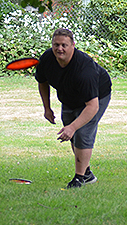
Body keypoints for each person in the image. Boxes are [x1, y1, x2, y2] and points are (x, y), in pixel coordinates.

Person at [35, 28, 112, 188]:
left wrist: (73, 127)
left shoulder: (85, 70)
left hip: (96, 96)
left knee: (82, 131)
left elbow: (92, 106)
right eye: (56, 45)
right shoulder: (48, 59)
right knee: (72, 134)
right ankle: (87, 172)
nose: (59, 49)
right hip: (69, 96)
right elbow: (42, 81)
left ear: (73, 46)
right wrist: (47, 108)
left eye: (64, 45)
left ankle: (79, 178)